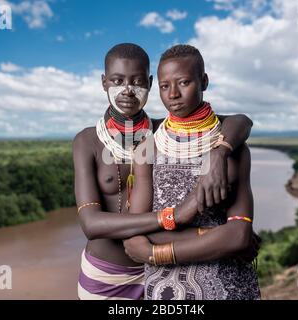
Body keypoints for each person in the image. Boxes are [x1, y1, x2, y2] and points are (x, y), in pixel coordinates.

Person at [72, 43, 254, 300]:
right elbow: (91, 224)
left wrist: (219, 153)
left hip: (158, 274)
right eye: (117, 81)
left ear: (148, 84)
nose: (127, 90)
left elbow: (240, 121)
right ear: (104, 83)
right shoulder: (88, 141)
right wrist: (176, 218)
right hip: (109, 273)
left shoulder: (162, 131)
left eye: (136, 82)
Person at [123, 44, 261, 300]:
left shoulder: (233, 148)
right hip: (164, 290)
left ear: (204, 81)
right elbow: (135, 232)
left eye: (184, 82)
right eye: (165, 86)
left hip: (227, 287)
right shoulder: (147, 147)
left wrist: (155, 253)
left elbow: (239, 237)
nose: (173, 94)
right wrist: (214, 236)